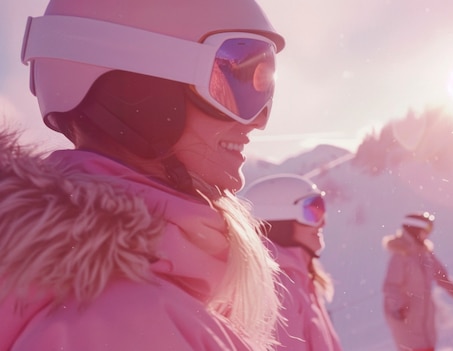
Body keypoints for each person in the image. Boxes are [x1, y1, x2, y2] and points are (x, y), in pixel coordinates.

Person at [0, 0, 286, 350]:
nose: (259, 120)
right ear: (140, 91)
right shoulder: (119, 327)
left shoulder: (156, 297)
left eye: (265, 82)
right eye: (235, 78)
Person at [240, 174, 343, 350]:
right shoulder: (276, 289)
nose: (323, 222)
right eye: (312, 211)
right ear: (279, 221)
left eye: (321, 207)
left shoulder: (300, 278)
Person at [382, 212, 453, 351]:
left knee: (428, 346)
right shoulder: (401, 256)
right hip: (406, 317)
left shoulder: (426, 254)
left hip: (425, 317)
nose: (428, 234)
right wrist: (399, 307)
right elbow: (391, 286)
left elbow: (442, 278)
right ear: (413, 230)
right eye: (426, 230)